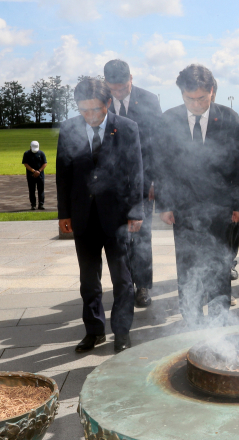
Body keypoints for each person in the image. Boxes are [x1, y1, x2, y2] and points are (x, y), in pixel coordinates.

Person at [155, 64, 239, 326]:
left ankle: (219, 320)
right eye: (189, 98)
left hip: (220, 207)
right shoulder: (169, 119)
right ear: (181, 94)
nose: (196, 104)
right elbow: (161, 165)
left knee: (220, 264)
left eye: (202, 98)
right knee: (187, 266)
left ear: (212, 92)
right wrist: (165, 203)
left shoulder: (229, 117)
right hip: (183, 207)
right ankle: (192, 321)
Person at [57, 78, 143, 353]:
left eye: (95, 109)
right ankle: (94, 331)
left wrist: (136, 211)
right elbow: (63, 174)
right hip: (83, 216)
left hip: (117, 217)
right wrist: (64, 213)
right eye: (84, 110)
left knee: (122, 278)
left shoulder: (127, 128)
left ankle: (121, 332)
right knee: (88, 280)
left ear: (107, 103)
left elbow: (136, 172)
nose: (90, 116)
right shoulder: (69, 128)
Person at [104, 59, 162, 308]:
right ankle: (124, 284)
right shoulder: (102, 101)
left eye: (122, 87)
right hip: (111, 185)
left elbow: (158, 143)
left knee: (142, 237)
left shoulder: (149, 100)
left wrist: (154, 180)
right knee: (118, 238)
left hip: (143, 181)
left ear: (131, 78)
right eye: (113, 89)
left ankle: (143, 286)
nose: (118, 93)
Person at [22, 141, 47, 210]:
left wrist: (39, 171)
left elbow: (45, 163)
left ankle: (41, 204)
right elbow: (25, 164)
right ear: (30, 147)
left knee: (41, 190)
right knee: (32, 190)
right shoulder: (26, 154)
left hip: (40, 175)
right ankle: (33, 205)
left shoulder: (41, 153)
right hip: (31, 175)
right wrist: (33, 171)